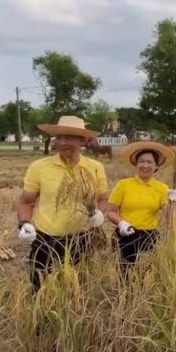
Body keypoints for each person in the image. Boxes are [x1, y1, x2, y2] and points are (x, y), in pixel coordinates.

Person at [16, 116, 107, 292]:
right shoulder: (39, 167)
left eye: (69, 137)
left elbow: (103, 199)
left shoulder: (94, 167)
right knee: (39, 286)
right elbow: (26, 202)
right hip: (45, 238)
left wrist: (100, 214)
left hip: (80, 238)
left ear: (82, 141)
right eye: (59, 137)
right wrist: (24, 223)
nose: (62, 142)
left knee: (76, 287)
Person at [106, 141, 176, 279]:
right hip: (125, 234)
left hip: (148, 236)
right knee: (123, 275)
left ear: (156, 166)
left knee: (145, 276)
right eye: (142, 161)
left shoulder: (162, 188)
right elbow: (110, 212)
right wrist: (121, 223)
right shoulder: (123, 185)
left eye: (150, 162)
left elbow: (168, 218)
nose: (145, 165)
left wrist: (172, 202)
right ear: (136, 164)